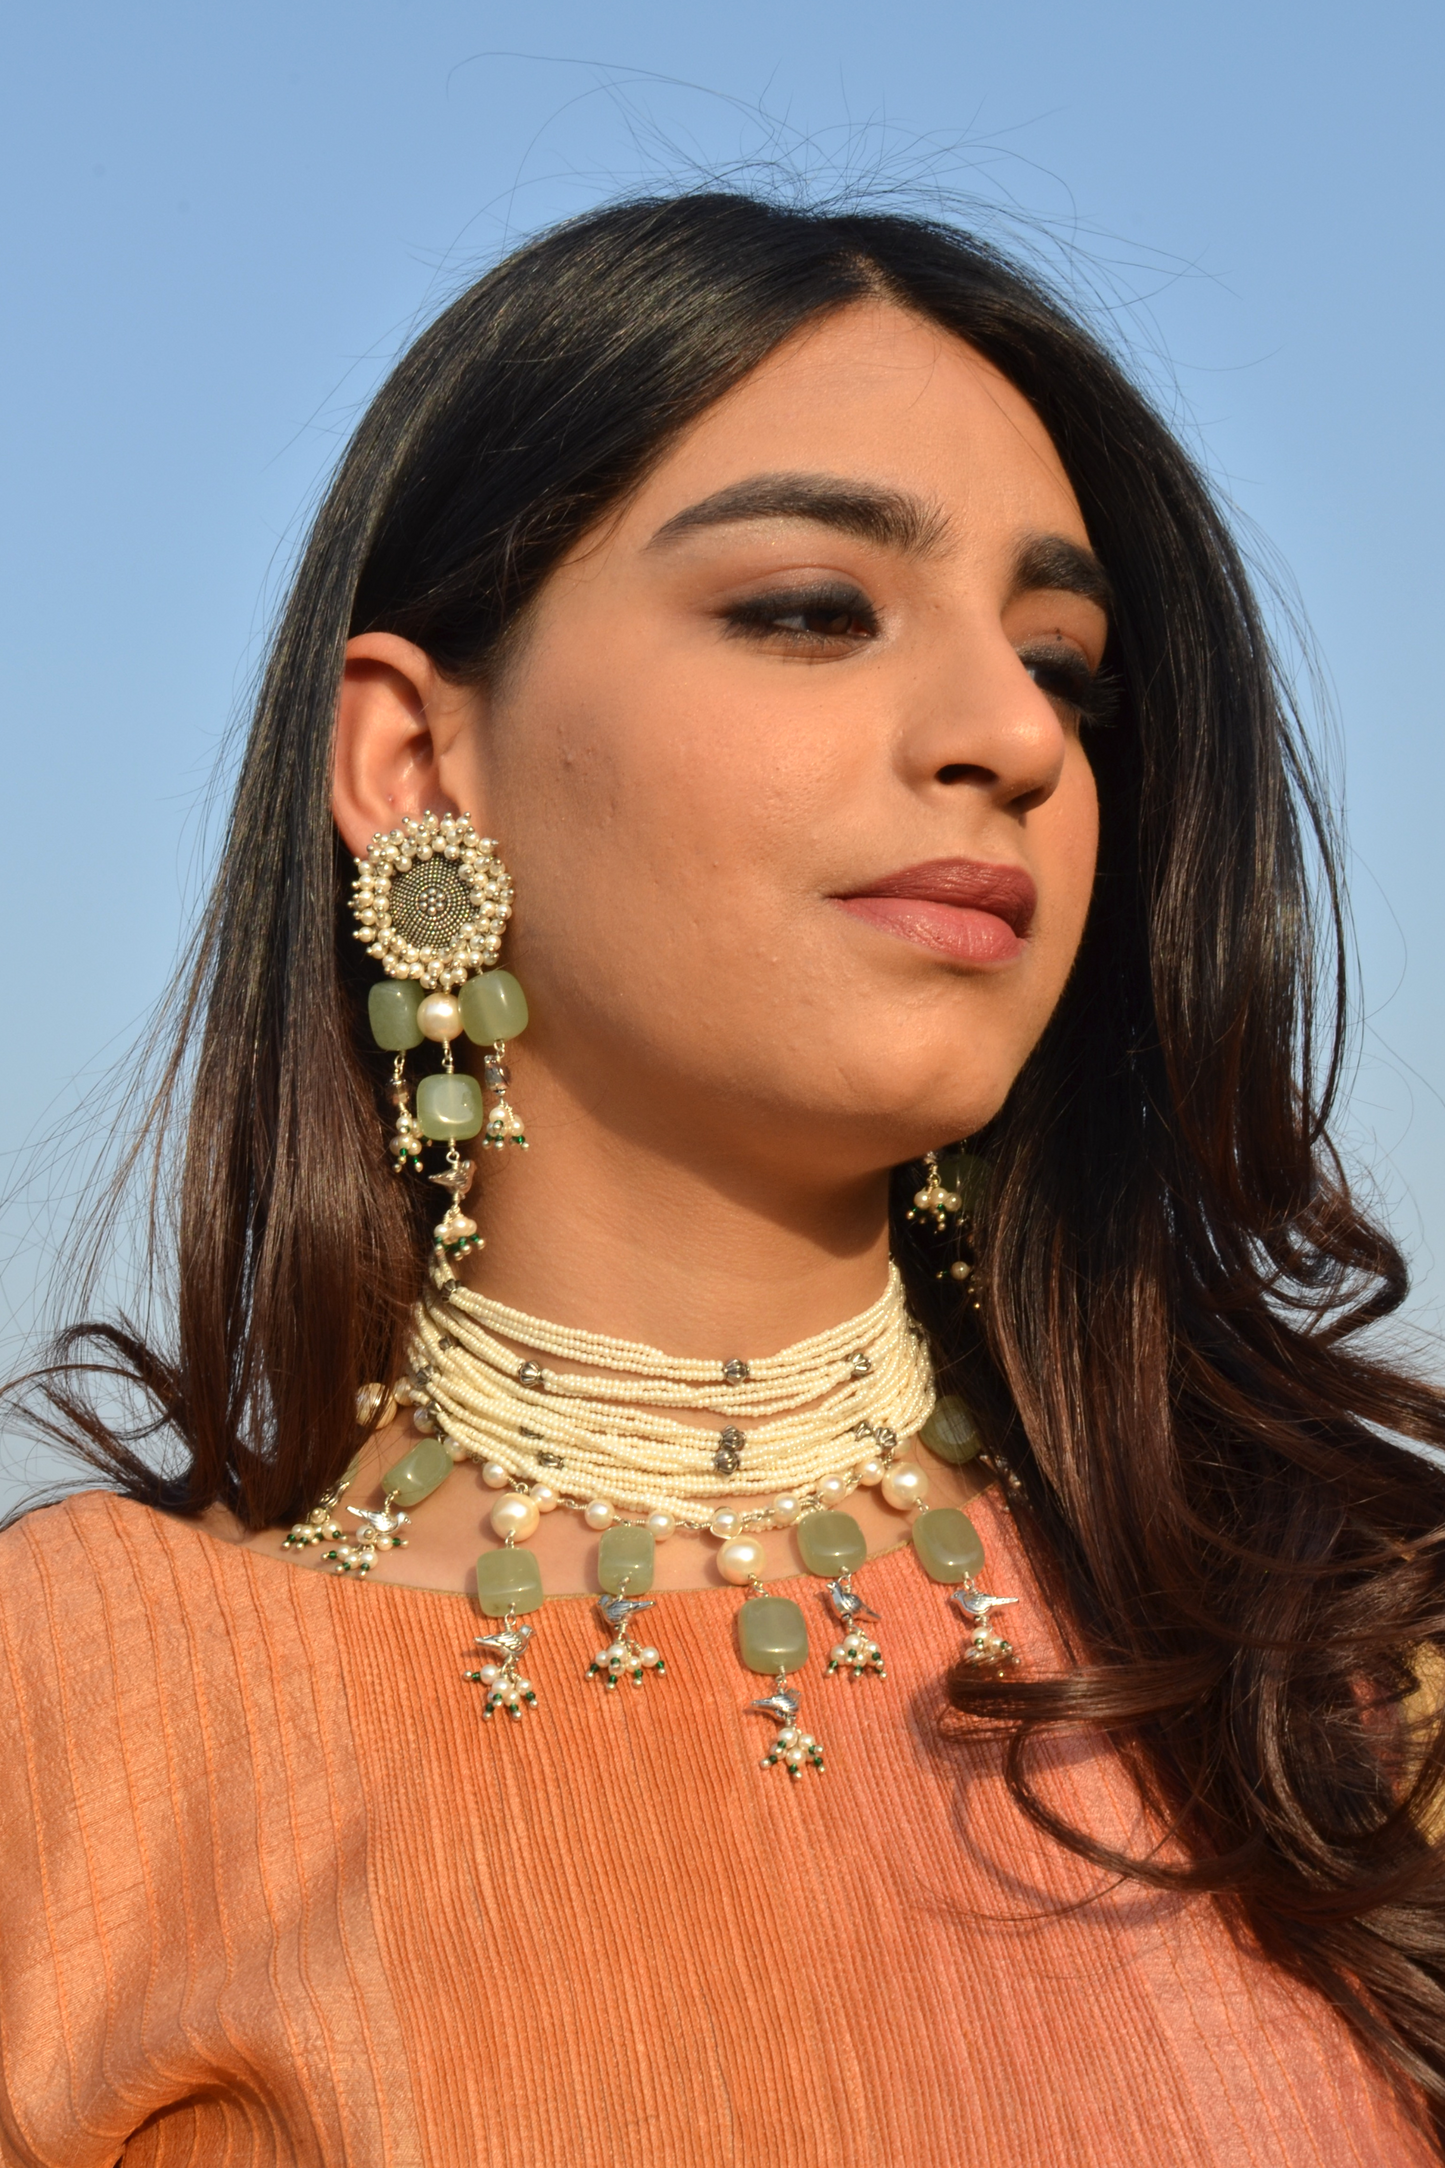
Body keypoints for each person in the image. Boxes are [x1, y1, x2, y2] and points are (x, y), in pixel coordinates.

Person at [3, 190, 1444, 2168]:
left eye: (1064, 663)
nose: (1009, 733)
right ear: (415, 762)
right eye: (807, 608)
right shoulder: (76, 1717)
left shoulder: (1332, 1670)